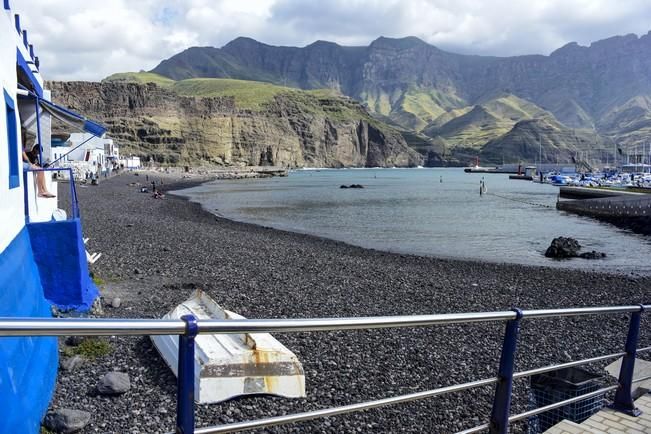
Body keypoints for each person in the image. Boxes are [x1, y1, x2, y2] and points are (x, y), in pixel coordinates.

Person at [22, 130, 55, 198]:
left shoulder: (35, 156)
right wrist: (31, 164)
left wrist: (45, 165)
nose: (39, 153)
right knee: (40, 170)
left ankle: (45, 190)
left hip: (30, 166)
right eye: (38, 151)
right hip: (25, 166)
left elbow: (37, 164)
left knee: (41, 170)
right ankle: (41, 191)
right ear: (35, 149)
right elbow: (27, 159)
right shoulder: (29, 154)